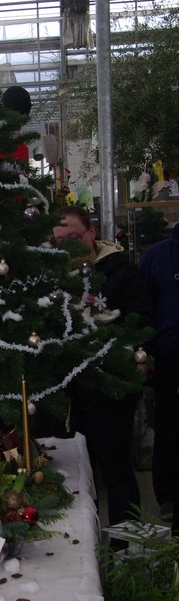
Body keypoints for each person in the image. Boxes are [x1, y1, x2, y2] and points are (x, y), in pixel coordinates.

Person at [52, 205, 154, 527]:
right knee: (75, 476)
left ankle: (126, 548)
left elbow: (142, 321)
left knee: (116, 472)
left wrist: (137, 359)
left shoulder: (120, 272)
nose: (68, 247)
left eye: (74, 238)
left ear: (92, 232)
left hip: (110, 389)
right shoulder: (53, 277)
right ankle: (83, 546)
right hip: (67, 393)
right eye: (59, 241)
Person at [138, 223, 179, 533]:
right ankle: (169, 496)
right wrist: (145, 354)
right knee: (169, 428)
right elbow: (143, 310)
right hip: (170, 359)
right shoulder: (157, 256)